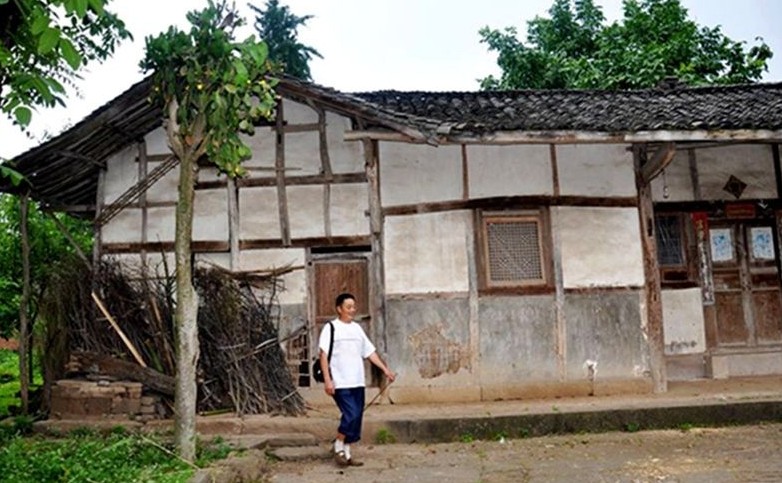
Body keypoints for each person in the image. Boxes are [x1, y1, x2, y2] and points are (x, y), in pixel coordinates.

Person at [318, 292, 395, 467]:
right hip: (340, 382)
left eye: (353, 307)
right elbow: (323, 355)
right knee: (351, 414)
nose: (352, 310)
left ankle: (346, 454)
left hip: (357, 381)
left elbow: (370, 352)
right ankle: (338, 443)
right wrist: (328, 380)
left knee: (356, 417)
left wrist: (385, 370)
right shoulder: (331, 328)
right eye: (348, 307)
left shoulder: (357, 329)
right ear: (339, 309)